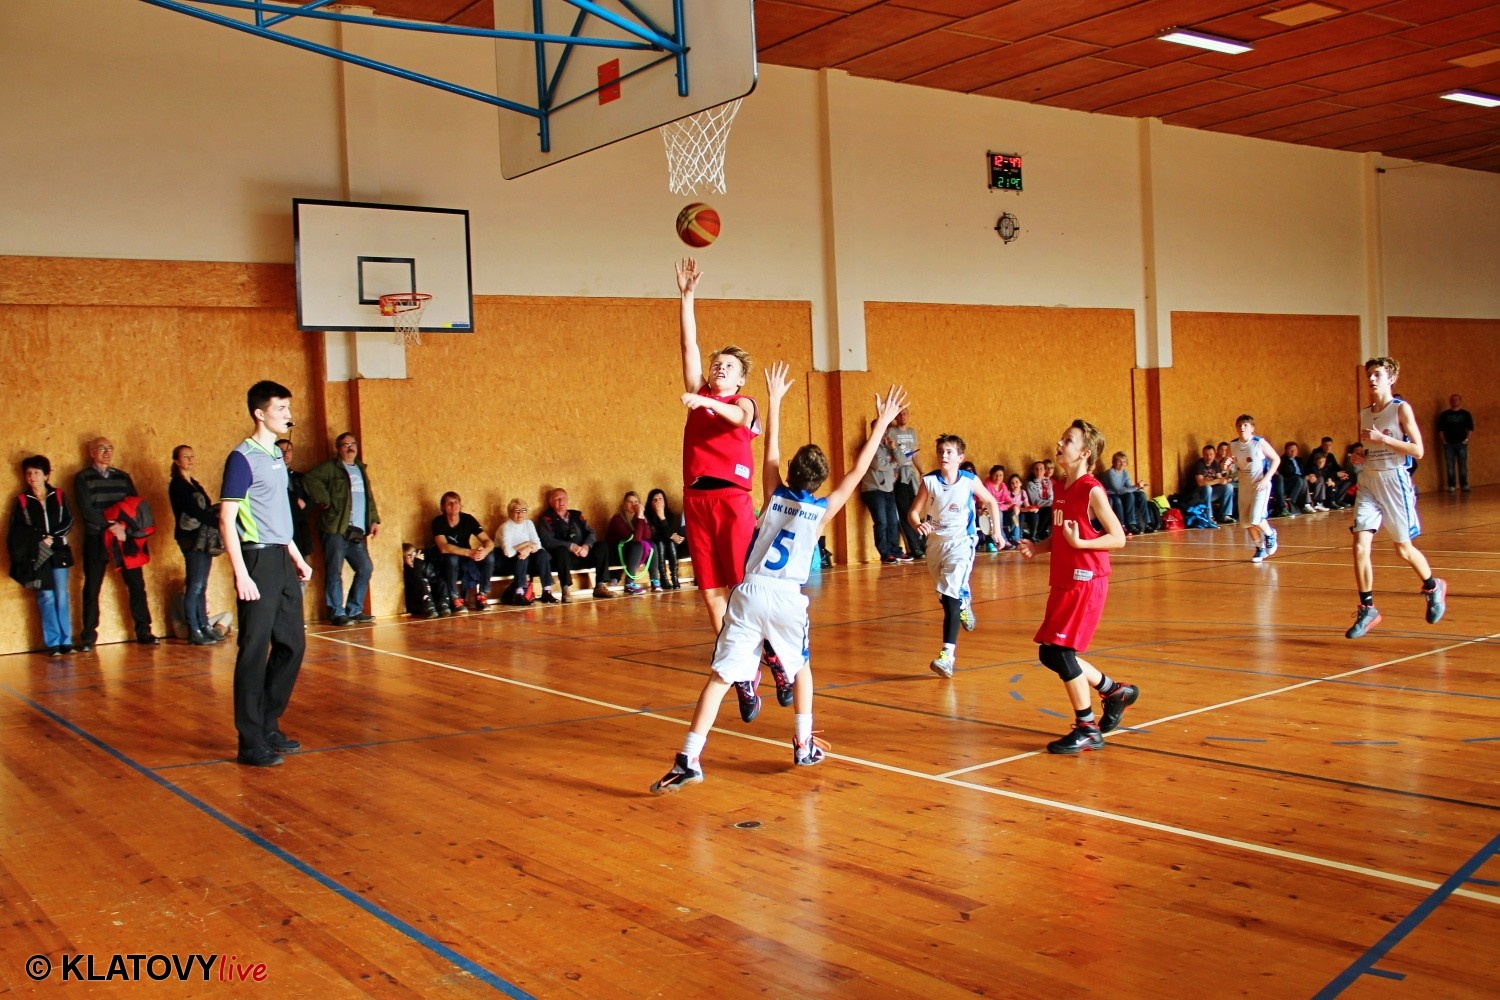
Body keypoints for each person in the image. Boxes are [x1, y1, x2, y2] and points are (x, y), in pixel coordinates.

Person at [650, 364, 908, 794]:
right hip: (787, 597)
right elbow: (859, 471)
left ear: (789, 470)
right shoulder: (821, 509)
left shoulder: (772, 493)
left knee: (720, 678)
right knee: (801, 669)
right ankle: (803, 744)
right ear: (821, 481)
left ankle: (688, 758)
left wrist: (774, 400)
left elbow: (768, 449)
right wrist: (881, 423)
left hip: (748, 592)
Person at [675, 257, 767, 721]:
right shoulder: (701, 391)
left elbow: (735, 419)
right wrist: (687, 297)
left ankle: (771, 655)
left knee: (741, 586)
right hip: (697, 499)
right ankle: (741, 671)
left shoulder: (743, 402)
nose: (719, 368)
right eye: (717, 364)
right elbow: (688, 344)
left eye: (728, 365)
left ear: (740, 377)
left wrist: (702, 401)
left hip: (732, 499)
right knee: (710, 591)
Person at [1019, 420, 1137, 754]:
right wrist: (1038, 548)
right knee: (1050, 653)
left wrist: (1082, 543)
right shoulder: (1060, 487)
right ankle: (1114, 691)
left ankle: (1087, 728)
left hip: (1086, 582)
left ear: (1085, 453)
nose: (1059, 443)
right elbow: (1061, 536)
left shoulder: (1091, 489)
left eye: (1068, 440)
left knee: (1059, 652)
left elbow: (1118, 538)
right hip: (1063, 580)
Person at [219, 380, 313, 767]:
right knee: (254, 652)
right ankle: (249, 740)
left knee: (293, 646)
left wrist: (296, 555)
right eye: (281, 409)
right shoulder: (241, 458)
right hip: (256, 562)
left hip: (281, 559)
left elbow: (275, 512)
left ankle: (267, 722)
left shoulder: (276, 454)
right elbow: (226, 519)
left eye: (289, 408)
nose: (289, 416)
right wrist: (241, 574)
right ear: (260, 413)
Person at [1345, 357, 1448, 639]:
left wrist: (1384, 439)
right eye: (1369, 374)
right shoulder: (1364, 413)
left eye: (1377, 374)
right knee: (1359, 547)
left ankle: (1433, 586)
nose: (1371, 378)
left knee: (1403, 549)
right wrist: (1359, 456)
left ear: (1391, 379)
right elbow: (1368, 449)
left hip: (1394, 481)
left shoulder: (1401, 409)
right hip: (1369, 481)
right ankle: (1368, 608)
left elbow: (1418, 451)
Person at [910, 434, 1004, 678]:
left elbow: (991, 502)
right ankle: (964, 601)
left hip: (962, 543)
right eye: (941, 451)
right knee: (945, 594)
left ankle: (947, 656)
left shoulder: (969, 481)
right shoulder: (929, 481)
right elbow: (913, 512)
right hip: (935, 544)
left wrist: (997, 531)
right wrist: (918, 524)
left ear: (960, 458)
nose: (944, 455)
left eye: (949, 452)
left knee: (949, 595)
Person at [74, 436, 155, 648]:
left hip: (123, 538)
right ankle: (88, 637)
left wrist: (123, 528)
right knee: (92, 587)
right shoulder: (82, 478)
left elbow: (134, 507)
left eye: (110, 448)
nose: (107, 452)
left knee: (137, 585)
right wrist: (110, 526)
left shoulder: (123, 477)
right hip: (97, 537)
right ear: (92, 452)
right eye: (102, 448)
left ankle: (144, 631)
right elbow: (86, 510)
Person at [304, 433, 380, 626]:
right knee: (334, 571)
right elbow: (310, 478)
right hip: (335, 528)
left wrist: (374, 520)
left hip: (357, 530)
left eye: (352, 444)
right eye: (345, 445)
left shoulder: (361, 469)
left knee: (365, 568)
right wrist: (325, 500)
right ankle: (337, 612)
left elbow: (369, 498)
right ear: (338, 448)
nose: (350, 448)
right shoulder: (331, 467)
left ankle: (354, 609)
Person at [8, 456, 75, 655]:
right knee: (46, 595)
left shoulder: (59, 495)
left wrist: (52, 537)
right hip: (37, 554)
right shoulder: (22, 500)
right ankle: (53, 643)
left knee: (61, 594)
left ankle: (66, 641)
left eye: (36, 472)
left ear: (46, 475)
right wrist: (40, 538)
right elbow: (19, 529)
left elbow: (69, 521)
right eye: (28, 473)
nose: (32, 477)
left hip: (59, 551)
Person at [168, 444, 225, 645]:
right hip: (190, 538)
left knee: (202, 584)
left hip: (203, 537)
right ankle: (194, 629)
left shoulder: (194, 483)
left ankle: (205, 625)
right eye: (186, 457)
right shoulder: (177, 484)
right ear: (177, 461)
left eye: (192, 456)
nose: (190, 460)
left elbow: (206, 506)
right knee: (194, 585)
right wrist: (217, 521)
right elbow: (193, 510)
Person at [536, 488, 614, 602]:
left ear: (567, 500)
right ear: (551, 502)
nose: (561, 501)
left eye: (563, 498)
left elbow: (591, 532)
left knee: (601, 546)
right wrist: (571, 546)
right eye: (557, 499)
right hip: (563, 559)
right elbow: (547, 540)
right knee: (561, 550)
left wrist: (586, 546)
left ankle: (600, 586)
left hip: (582, 554)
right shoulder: (546, 518)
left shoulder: (577, 515)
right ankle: (565, 589)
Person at [1229, 416, 1281, 564]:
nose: (1242, 428)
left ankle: (1270, 534)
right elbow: (1229, 466)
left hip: (1260, 484)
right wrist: (1226, 464)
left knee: (1255, 518)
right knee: (1246, 522)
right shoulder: (1233, 445)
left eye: (1245, 425)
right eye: (1239, 425)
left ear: (1252, 428)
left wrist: (1266, 478)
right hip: (1244, 485)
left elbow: (1276, 459)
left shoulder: (1259, 442)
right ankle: (1259, 548)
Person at [431, 491, 495, 612]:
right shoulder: (438, 521)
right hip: (447, 560)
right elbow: (443, 547)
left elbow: (488, 541)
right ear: (443, 507)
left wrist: (484, 551)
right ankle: (454, 598)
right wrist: (469, 552)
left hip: (466, 558)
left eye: (456, 502)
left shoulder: (468, 519)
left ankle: (482, 595)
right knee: (452, 558)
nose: (454, 505)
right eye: (449, 503)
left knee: (490, 557)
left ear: (460, 505)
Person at [496, 498, 558, 605]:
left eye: (523, 510)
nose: (520, 514)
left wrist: (528, 549)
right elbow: (508, 553)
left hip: (526, 557)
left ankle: (546, 591)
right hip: (507, 560)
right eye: (516, 511)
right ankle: (519, 593)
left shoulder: (528, 524)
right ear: (510, 513)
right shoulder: (506, 527)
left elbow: (538, 545)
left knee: (542, 553)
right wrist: (526, 544)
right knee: (522, 555)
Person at [858, 419, 902, 563]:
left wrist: (894, 449)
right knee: (881, 522)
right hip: (873, 490)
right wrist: (893, 464)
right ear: (873, 430)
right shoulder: (870, 446)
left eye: (884, 428)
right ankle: (885, 554)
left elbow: (901, 461)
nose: (883, 431)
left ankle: (895, 551)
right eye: (879, 428)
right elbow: (879, 464)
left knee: (893, 521)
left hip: (889, 489)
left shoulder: (888, 446)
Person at [887, 408, 924, 561]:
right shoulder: (891, 431)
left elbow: (914, 454)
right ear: (896, 416)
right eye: (900, 414)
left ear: (908, 415)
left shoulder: (912, 432)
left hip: (910, 475)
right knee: (904, 512)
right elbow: (888, 453)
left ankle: (920, 544)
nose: (902, 416)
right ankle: (914, 547)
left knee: (914, 510)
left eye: (905, 413)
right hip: (898, 475)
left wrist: (921, 471)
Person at [605, 491, 654, 595]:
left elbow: (647, 536)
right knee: (637, 545)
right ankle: (629, 584)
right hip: (616, 554)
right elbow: (635, 539)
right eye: (630, 502)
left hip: (630, 552)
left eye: (636, 502)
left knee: (652, 545)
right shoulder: (617, 519)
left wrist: (642, 518)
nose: (633, 505)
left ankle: (655, 580)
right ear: (624, 504)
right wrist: (640, 517)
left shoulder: (638, 518)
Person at [276, 438, 313, 565]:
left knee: (300, 570)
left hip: (298, 530)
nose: (285, 453)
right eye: (281, 450)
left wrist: (305, 503)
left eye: (289, 450)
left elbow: (313, 499)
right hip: (278, 529)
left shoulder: (300, 478)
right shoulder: (269, 477)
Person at [644, 488, 685, 591]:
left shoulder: (670, 515)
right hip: (657, 548)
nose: (658, 502)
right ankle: (663, 578)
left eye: (660, 499)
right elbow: (653, 534)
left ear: (664, 501)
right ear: (650, 502)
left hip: (670, 549)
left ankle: (675, 578)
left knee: (671, 543)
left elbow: (672, 533)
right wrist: (669, 535)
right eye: (654, 499)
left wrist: (662, 517)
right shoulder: (646, 516)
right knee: (660, 542)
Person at [1101, 451, 1149, 535]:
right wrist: (1136, 487)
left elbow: (1129, 486)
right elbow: (1118, 490)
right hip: (1112, 493)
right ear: (1114, 462)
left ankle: (1147, 522)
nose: (1122, 464)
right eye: (1119, 461)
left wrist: (1140, 487)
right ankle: (1130, 524)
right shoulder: (1110, 473)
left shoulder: (1125, 473)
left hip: (1121, 493)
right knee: (1129, 496)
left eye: (1124, 461)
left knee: (1141, 494)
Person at [1437, 394, 1474, 492]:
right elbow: (1440, 430)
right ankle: (1451, 485)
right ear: (1450, 401)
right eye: (1452, 399)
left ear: (1460, 401)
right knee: (1450, 466)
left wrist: (1466, 440)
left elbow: (1470, 429)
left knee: (1462, 466)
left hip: (1462, 444)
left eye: (1456, 399)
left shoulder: (1466, 414)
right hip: (1449, 444)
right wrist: (1444, 441)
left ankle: (1464, 485)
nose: (1454, 401)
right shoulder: (1444, 415)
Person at [1188, 445, 1224, 529]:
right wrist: (1217, 481)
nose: (1209, 457)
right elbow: (1200, 483)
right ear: (1203, 455)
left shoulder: (1215, 463)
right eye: (1206, 454)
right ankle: (1209, 516)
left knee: (1228, 487)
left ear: (1214, 454)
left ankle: (1225, 515)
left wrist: (1224, 479)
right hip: (1199, 494)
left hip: (1211, 493)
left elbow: (1220, 479)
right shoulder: (1199, 464)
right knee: (1207, 487)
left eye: (1211, 454)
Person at [1024, 461, 1054, 540]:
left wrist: (1051, 503)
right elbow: (1036, 501)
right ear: (1033, 471)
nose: (1039, 471)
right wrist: (1051, 503)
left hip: (1048, 506)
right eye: (1036, 469)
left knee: (1052, 509)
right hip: (1036, 508)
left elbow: (1051, 497)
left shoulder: (1048, 482)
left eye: (1041, 469)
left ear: (1045, 471)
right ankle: (1039, 532)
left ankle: (1044, 531)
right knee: (1049, 509)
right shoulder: (1030, 483)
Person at [1279, 442, 1311, 515]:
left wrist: (1310, 475)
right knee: (1300, 480)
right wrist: (1304, 477)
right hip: (1288, 482)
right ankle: (1293, 503)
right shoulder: (1283, 460)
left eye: (1295, 450)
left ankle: (1308, 504)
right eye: (1291, 450)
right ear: (1286, 450)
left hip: (1301, 480)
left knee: (1308, 479)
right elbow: (1289, 473)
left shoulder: (1299, 459)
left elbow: (1304, 470)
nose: (1293, 452)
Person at [1004, 471, 1029, 547]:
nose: (1015, 484)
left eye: (1017, 482)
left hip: (1019, 511)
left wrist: (1032, 508)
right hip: (1009, 512)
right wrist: (1019, 509)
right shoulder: (1008, 493)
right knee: (1015, 516)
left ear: (1021, 483)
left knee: (1021, 516)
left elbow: (1027, 505)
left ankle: (1016, 536)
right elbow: (1009, 506)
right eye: (1012, 483)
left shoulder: (1023, 492)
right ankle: (1016, 537)